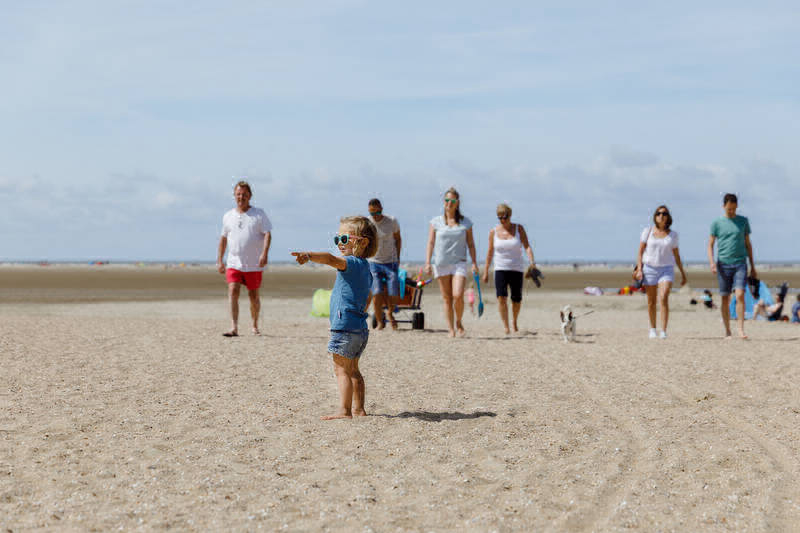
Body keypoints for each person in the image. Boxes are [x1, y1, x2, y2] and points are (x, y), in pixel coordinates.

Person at [291, 216, 377, 420]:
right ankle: (359, 409)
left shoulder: (350, 263)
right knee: (354, 369)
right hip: (359, 327)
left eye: (345, 239)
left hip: (345, 327)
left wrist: (308, 255)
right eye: (337, 239)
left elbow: (330, 259)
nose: (340, 243)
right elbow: (369, 296)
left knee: (341, 370)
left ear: (362, 242)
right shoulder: (365, 268)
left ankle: (345, 410)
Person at [216, 181, 272, 337]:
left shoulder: (259, 214)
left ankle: (254, 325)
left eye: (244, 194)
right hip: (234, 262)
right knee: (233, 290)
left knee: (253, 295)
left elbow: (267, 234)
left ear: (250, 196)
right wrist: (220, 260)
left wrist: (264, 253)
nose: (241, 197)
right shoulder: (228, 216)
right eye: (238, 194)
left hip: (254, 263)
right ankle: (234, 327)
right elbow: (223, 239)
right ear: (234, 196)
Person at [424, 187, 479, 338]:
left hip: (459, 262)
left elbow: (471, 244)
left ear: (457, 203)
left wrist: (474, 263)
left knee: (458, 295)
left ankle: (459, 321)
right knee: (447, 298)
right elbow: (430, 243)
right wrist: (428, 262)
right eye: (447, 200)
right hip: (441, 263)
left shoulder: (465, 222)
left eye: (452, 201)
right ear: (444, 202)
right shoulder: (436, 222)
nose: (449, 203)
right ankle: (451, 329)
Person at [634, 205, 688, 339]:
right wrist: (640, 269)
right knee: (651, 301)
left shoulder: (673, 235)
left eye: (664, 214)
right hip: (649, 268)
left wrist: (682, 273)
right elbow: (640, 252)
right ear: (655, 216)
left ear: (668, 217)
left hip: (666, 269)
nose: (661, 216)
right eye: (658, 213)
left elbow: (676, 255)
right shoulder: (647, 232)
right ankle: (652, 329)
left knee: (663, 297)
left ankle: (663, 330)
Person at [707, 193, 757, 339]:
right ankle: (728, 330)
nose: (731, 212)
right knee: (725, 298)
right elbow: (710, 245)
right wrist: (711, 263)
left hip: (740, 263)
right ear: (724, 207)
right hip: (723, 264)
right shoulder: (716, 223)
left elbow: (748, 244)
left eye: (734, 209)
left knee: (740, 295)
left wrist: (752, 266)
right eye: (729, 209)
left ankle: (741, 329)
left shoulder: (743, 221)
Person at [482, 203, 536, 334]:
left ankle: (514, 321)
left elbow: (527, 246)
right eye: (499, 217)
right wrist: (486, 271)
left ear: (510, 216)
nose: (502, 220)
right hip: (500, 268)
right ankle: (506, 326)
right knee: (501, 297)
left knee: (516, 300)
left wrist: (532, 262)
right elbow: (490, 252)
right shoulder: (493, 232)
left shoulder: (519, 229)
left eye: (505, 217)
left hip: (517, 268)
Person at [366, 199, 402, 330]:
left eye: (378, 212)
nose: (376, 215)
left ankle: (390, 313)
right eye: (372, 212)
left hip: (390, 261)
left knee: (393, 289)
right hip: (374, 262)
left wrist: (398, 257)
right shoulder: (368, 223)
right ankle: (380, 322)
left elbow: (398, 239)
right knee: (376, 292)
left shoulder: (391, 221)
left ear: (382, 208)